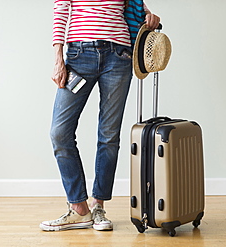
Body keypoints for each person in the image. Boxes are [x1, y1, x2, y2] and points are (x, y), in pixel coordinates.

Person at [40, 0, 160, 231]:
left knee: (109, 136)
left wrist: (150, 16)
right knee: (59, 133)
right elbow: (61, 9)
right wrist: (58, 57)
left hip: (119, 55)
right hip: (79, 54)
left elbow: (137, 8)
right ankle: (79, 209)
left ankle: (98, 206)